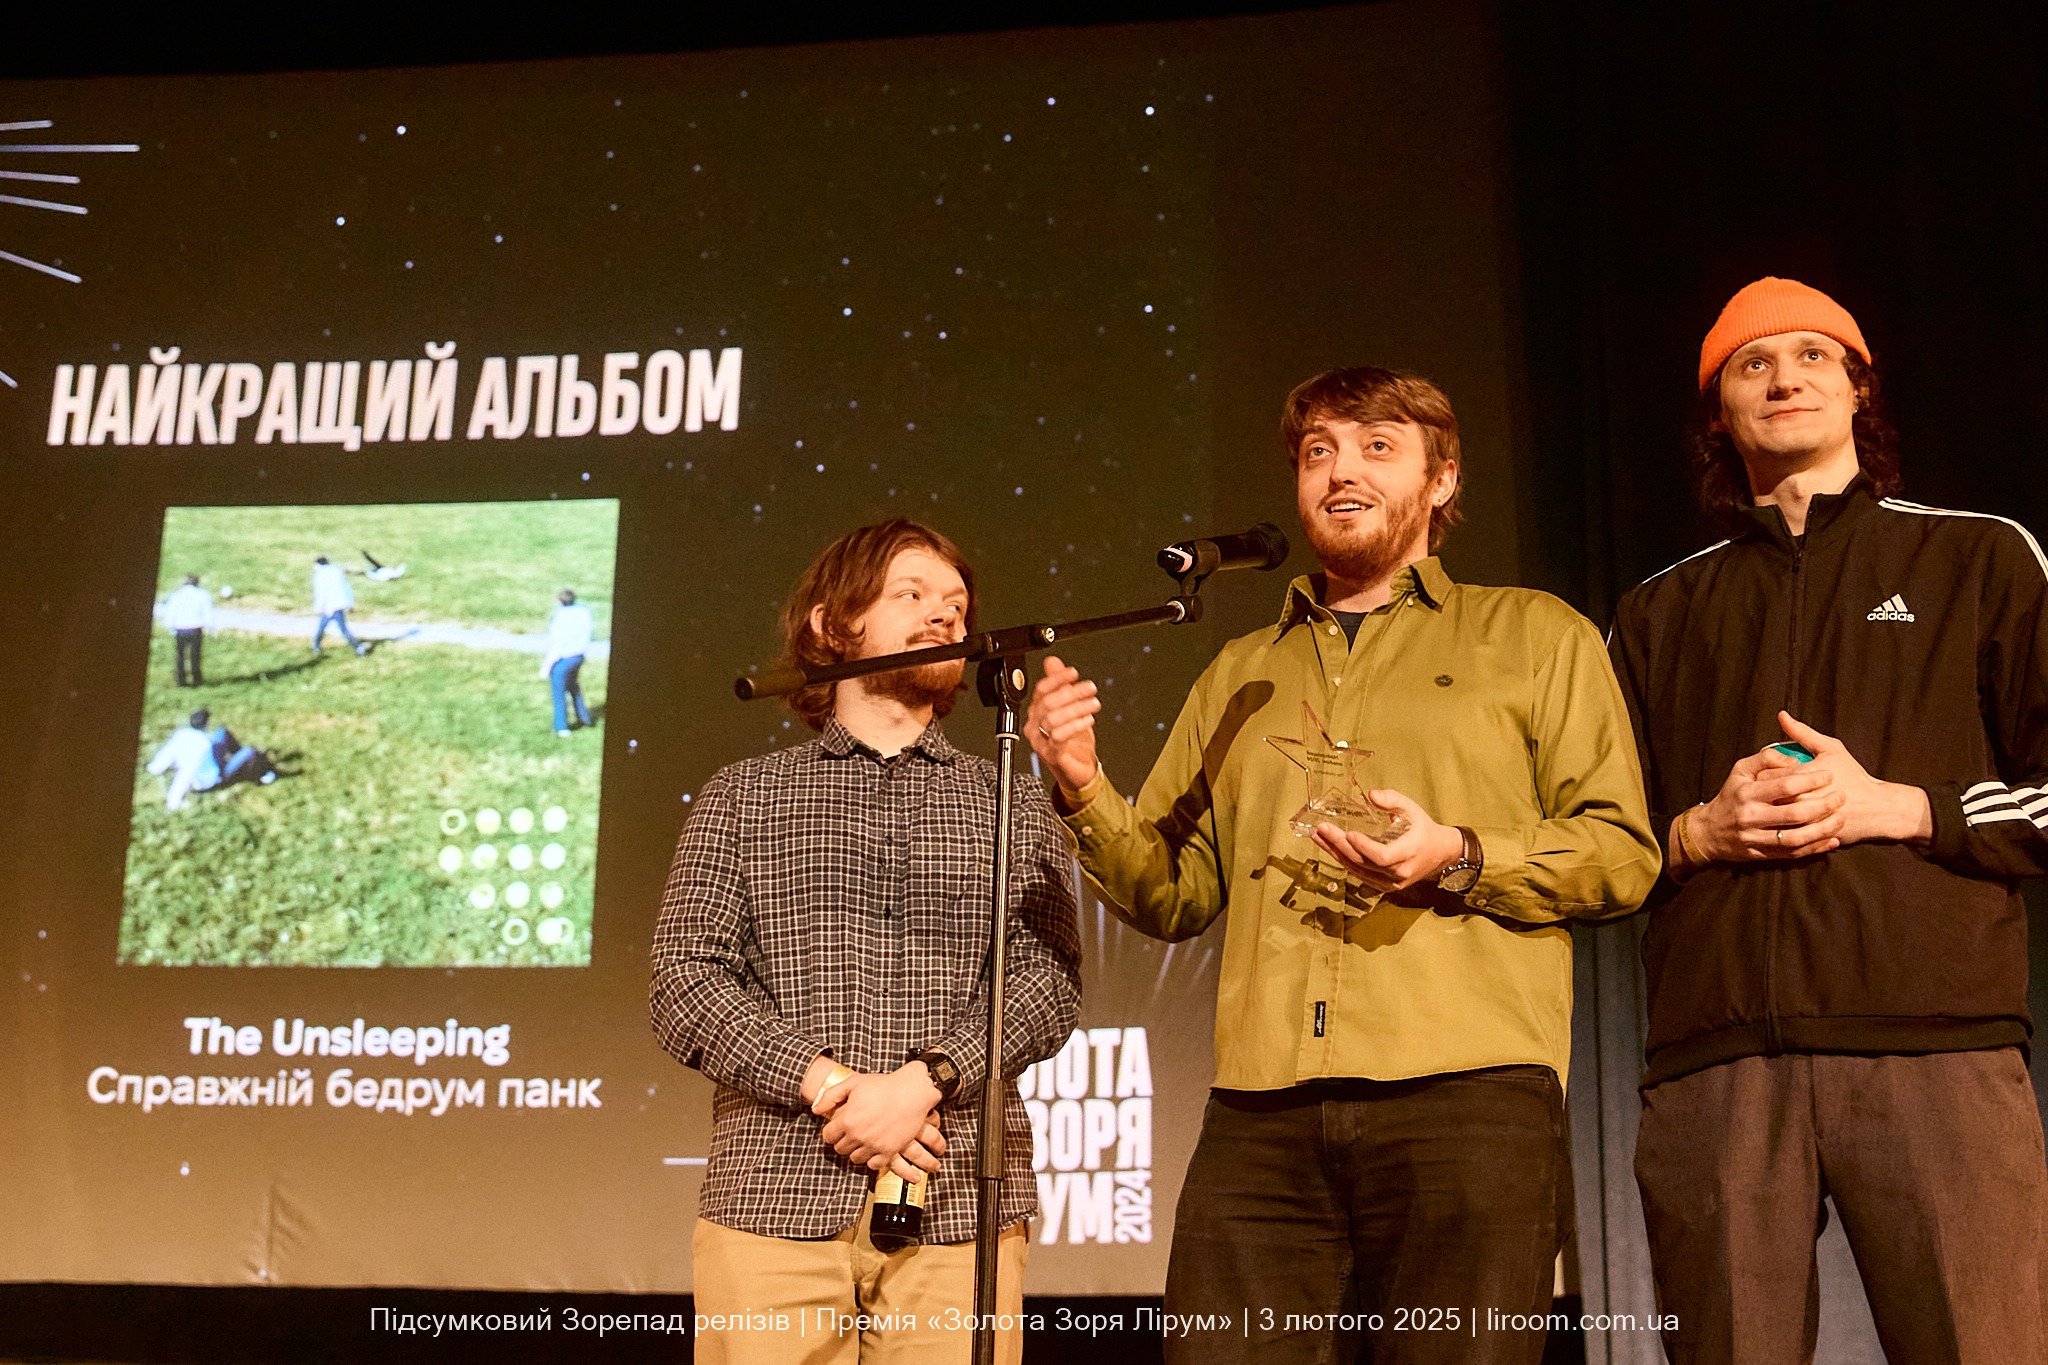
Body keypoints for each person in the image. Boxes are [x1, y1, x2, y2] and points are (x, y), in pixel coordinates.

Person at [1027, 368, 1660, 1365]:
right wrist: (1080, 785)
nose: (1340, 472)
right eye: (1318, 452)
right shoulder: (1240, 672)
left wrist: (1457, 855)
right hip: (1261, 1107)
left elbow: (1619, 854)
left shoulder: (1535, 636)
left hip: (1466, 1094)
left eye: (1376, 447)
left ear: (1442, 481)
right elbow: (1170, 891)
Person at [1608, 276, 2048, 1363]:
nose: (1784, 378)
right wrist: (1699, 829)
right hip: (1716, 1066)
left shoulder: (1978, 556)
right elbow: (1594, 841)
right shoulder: (1656, 610)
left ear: (1859, 391)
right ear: (1718, 413)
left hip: (1933, 1050)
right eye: (1751, 364)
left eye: (1813, 356)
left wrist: (1904, 806)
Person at [650, 520, 1083, 1365]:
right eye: (911, 594)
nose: (944, 615)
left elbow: (1046, 982)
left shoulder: (1010, 798)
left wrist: (925, 1082)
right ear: (831, 625)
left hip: (957, 1205)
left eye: (956, 604)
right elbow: (686, 983)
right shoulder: (743, 796)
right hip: (771, 1198)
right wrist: (838, 1089)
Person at [538, 588, 594, 737]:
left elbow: (557, 645)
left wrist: (546, 667)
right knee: (573, 686)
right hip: (578, 656)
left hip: (563, 659)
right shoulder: (583, 612)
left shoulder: (561, 616)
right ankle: (584, 718)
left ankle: (561, 727)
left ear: (560, 601)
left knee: (558, 694)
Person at [147, 708, 221, 810]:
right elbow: (188, 772)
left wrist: (154, 768)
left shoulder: (182, 734)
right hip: (205, 780)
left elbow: (168, 752)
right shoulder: (205, 742)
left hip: (196, 774)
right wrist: (173, 802)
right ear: (207, 723)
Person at [163, 573, 213, 687]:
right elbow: (208, 612)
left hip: (180, 629)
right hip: (195, 628)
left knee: (180, 656)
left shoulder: (176, 595)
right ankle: (196, 680)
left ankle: (180, 680)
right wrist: (210, 627)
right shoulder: (202, 594)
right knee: (195, 656)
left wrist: (170, 627)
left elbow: (170, 612)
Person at [310, 555, 366, 657]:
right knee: (341, 629)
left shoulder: (319, 575)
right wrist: (350, 603)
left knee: (323, 628)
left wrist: (318, 607)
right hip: (339, 605)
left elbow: (320, 593)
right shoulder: (336, 572)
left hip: (328, 607)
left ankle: (316, 647)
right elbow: (345, 588)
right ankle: (358, 648)